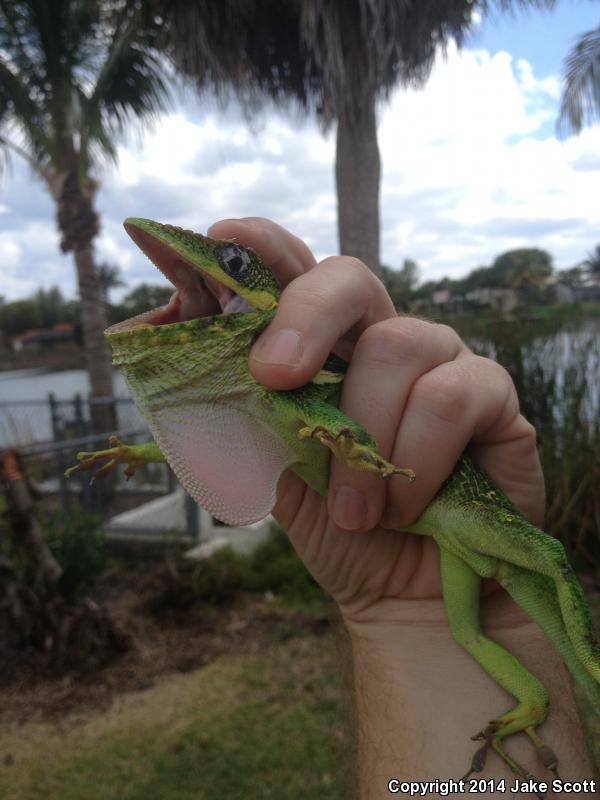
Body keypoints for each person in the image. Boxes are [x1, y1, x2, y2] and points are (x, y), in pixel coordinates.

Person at [208, 217, 594, 796]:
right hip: (437, 542)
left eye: (235, 270)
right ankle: (531, 700)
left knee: (550, 559)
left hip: (469, 518)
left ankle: (586, 662)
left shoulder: (298, 384)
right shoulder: (270, 400)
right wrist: (401, 623)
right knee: (467, 633)